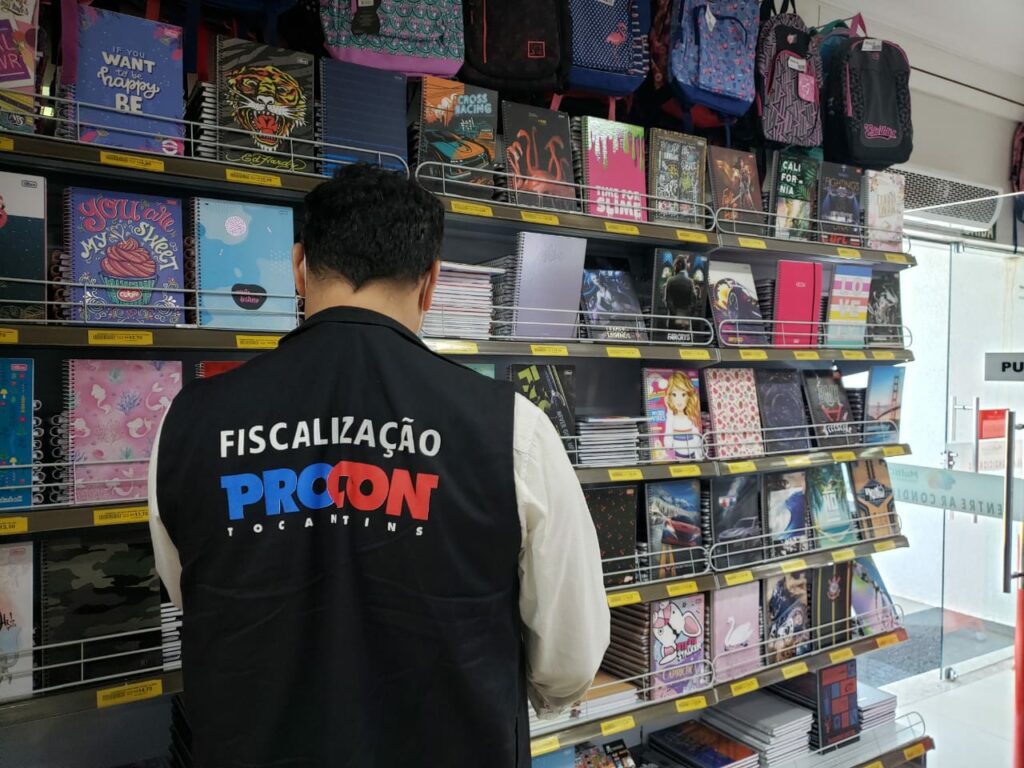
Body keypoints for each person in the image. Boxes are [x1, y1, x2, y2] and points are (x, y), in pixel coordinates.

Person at [148, 164, 609, 767]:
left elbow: (194, 592)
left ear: (298, 268)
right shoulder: (514, 429)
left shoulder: (186, 421)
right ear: (431, 282)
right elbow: (571, 656)